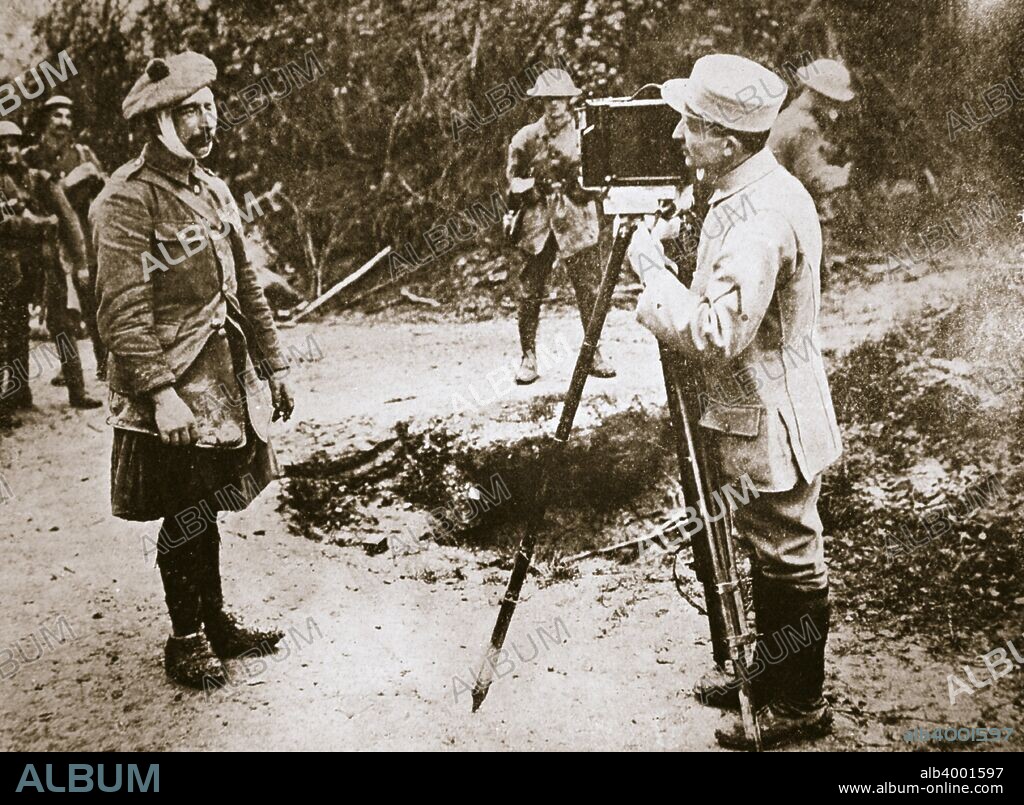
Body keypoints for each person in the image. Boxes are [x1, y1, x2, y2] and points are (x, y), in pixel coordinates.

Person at [631, 54, 843, 749]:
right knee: (766, 542)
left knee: (788, 551)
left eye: (692, 125)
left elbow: (717, 331)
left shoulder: (759, 216)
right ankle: (771, 673)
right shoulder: (752, 188)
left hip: (770, 415)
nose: (676, 136)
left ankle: (799, 703)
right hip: (765, 404)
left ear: (727, 142)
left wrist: (653, 275)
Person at [90, 51, 295, 689]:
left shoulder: (213, 189)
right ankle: (185, 640)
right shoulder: (126, 199)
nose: (207, 122)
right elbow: (121, 310)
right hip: (172, 383)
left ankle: (215, 621)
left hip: (221, 380)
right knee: (184, 509)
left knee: (206, 503)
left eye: (210, 107)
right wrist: (160, 394)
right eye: (190, 112)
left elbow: (247, 287)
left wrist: (275, 365)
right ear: (159, 123)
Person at [506, 67, 614, 385]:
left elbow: (603, 178)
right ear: (541, 101)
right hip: (539, 223)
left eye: (559, 98)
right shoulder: (526, 138)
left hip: (576, 219)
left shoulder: (586, 134)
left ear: (569, 100)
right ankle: (528, 357)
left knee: (589, 290)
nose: (554, 104)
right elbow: (512, 181)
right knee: (530, 291)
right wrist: (532, 187)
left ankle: (593, 353)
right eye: (548, 98)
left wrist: (583, 186)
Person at [0, 120, 101, 416]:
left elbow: (68, 220)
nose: (8, 151)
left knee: (62, 326)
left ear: (20, 148)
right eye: (1, 147)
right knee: (15, 328)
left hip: (46, 264)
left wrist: (80, 263)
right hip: (12, 267)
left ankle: (77, 390)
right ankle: (19, 392)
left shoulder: (39, 179)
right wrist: (36, 223)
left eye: (12, 144)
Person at [24, 94, 109, 379]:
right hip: (47, 238)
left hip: (83, 236)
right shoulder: (31, 156)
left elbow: (105, 192)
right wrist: (71, 181)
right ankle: (69, 368)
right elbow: (30, 194)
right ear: (45, 120)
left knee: (94, 302)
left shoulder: (83, 154)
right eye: (57, 115)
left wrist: (96, 177)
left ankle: (105, 363)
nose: (64, 122)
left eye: (68, 116)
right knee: (58, 310)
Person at [767, 58, 855, 202]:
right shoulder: (807, 127)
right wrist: (843, 175)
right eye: (834, 101)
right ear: (823, 97)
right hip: (779, 197)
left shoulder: (790, 113)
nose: (834, 107)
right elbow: (814, 179)